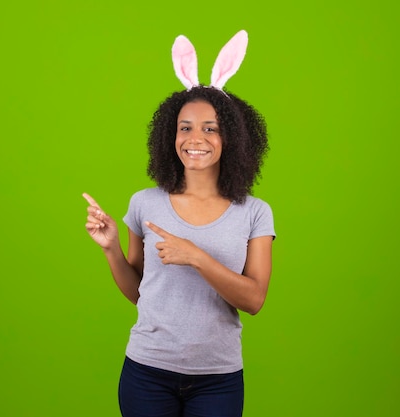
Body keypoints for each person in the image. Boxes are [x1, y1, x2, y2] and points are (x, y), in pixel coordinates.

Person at [83, 30, 275, 417]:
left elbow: (254, 300)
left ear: (230, 138)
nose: (195, 138)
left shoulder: (255, 212)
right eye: (185, 127)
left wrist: (196, 257)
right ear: (170, 135)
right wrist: (110, 249)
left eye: (211, 128)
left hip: (218, 378)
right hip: (147, 372)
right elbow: (141, 293)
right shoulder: (144, 203)